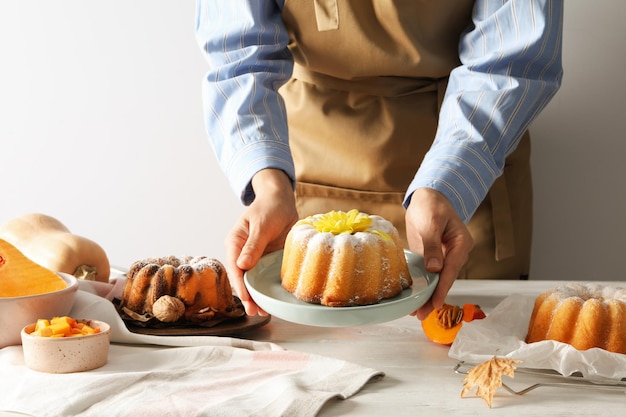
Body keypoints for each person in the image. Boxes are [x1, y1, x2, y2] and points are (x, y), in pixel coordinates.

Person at [195, 0, 563, 319]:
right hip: (302, 176)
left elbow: (512, 59)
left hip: (465, 179)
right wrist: (269, 185)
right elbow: (238, 58)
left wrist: (446, 183)